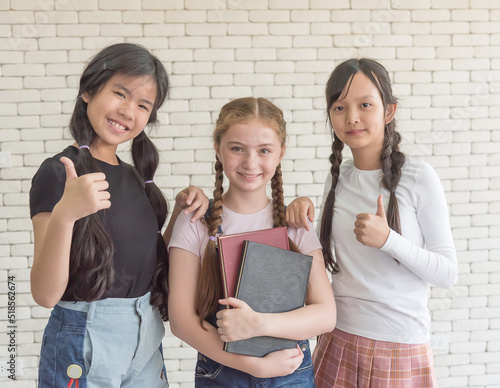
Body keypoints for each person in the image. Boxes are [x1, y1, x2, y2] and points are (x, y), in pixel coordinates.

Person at [30, 43, 208, 388]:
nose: (129, 111)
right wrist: (66, 214)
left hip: (145, 333)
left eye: (143, 105)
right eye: (120, 94)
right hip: (83, 338)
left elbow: (148, 262)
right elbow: (45, 294)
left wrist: (182, 215)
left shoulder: (135, 178)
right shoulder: (58, 173)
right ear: (88, 90)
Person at [286, 58, 458, 387]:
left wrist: (389, 240)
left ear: (388, 111)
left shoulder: (419, 177)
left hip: (399, 346)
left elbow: (447, 273)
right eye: (339, 107)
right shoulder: (339, 178)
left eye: (365, 105)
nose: (352, 117)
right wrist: (301, 208)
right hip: (336, 336)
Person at [168, 97, 336, 387]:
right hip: (221, 371)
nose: (250, 162)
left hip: (290, 371)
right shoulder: (196, 220)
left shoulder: (294, 225)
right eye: (236, 148)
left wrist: (260, 324)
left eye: (264, 151)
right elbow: (182, 321)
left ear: (281, 153)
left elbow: (326, 315)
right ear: (217, 148)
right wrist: (252, 366)